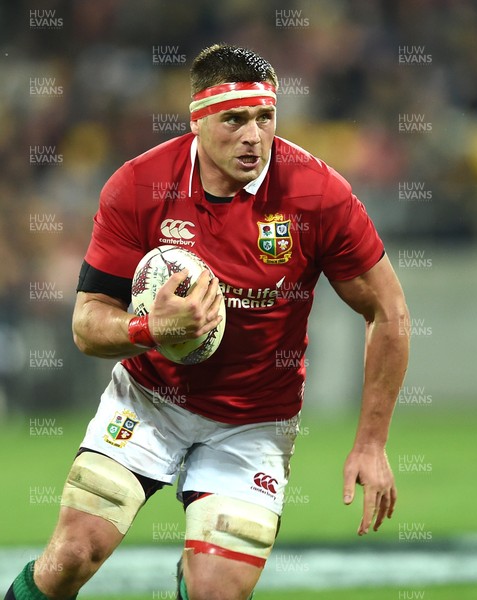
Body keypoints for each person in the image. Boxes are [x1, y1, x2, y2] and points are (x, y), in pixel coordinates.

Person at [5, 43, 410, 600]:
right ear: (197, 121)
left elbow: (389, 312)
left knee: (217, 594)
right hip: (147, 402)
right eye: (234, 119)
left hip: (252, 423)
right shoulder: (138, 185)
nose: (253, 135)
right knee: (73, 556)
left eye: (265, 117)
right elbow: (86, 324)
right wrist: (149, 331)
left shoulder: (317, 195)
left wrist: (371, 442)